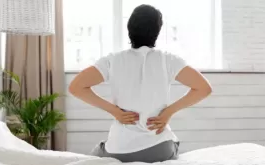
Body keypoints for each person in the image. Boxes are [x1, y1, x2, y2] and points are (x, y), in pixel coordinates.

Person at [69, 4, 212, 163]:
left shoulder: (113, 60)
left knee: (97, 153)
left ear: (129, 29)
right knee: (173, 143)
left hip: (119, 149)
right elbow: (204, 88)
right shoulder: (168, 60)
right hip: (160, 148)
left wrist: (115, 111)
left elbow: (76, 87)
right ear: (157, 31)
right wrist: (168, 112)